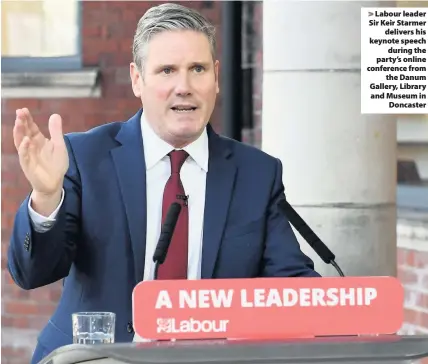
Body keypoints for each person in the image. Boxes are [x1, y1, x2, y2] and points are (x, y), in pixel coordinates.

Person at [8, 3, 320, 363]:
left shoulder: (256, 174)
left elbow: (291, 290)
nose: (183, 87)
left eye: (197, 69)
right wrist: (47, 197)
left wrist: (341, 306)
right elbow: (33, 273)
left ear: (216, 78)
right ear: (137, 79)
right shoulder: (85, 156)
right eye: (167, 70)